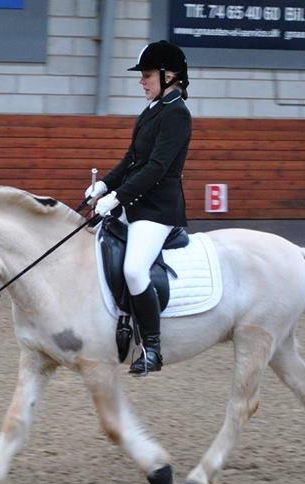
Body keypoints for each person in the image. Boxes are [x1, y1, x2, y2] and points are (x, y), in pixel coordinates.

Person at [85, 40, 192, 376]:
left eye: (147, 75)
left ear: (169, 75)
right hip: (134, 202)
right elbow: (132, 160)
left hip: (157, 211)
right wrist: (104, 185)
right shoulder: (152, 110)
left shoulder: (176, 114)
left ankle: (152, 348)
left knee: (134, 269)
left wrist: (116, 197)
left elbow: (156, 168)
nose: (141, 81)